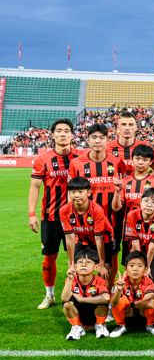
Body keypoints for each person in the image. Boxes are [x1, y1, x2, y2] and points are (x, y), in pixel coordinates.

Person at [29, 118, 81, 309]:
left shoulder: (80, 158)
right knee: (49, 256)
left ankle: (76, 293)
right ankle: (49, 295)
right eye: (58, 131)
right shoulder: (42, 159)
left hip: (76, 218)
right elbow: (35, 187)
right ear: (52, 135)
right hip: (50, 217)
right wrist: (31, 214)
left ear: (72, 135)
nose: (62, 134)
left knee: (77, 258)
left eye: (66, 131)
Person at [69, 123, 126, 279]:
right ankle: (85, 294)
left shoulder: (117, 162)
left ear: (107, 140)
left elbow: (122, 189)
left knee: (110, 261)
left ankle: (107, 294)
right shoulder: (77, 163)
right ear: (87, 140)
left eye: (102, 138)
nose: (97, 141)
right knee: (82, 260)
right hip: (84, 224)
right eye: (94, 137)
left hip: (111, 221)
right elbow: (71, 193)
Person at [111, 144, 154, 262]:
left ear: (151, 162)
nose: (140, 162)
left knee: (152, 264)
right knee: (131, 264)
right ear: (132, 160)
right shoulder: (125, 181)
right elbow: (116, 208)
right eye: (137, 158)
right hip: (130, 230)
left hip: (151, 231)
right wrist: (118, 191)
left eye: (145, 160)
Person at [59, 177, 112, 279]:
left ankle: (106, 293)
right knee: (76, 268)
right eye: (73, 192)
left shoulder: (97, 210)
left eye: (80, 192)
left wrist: (101, 264)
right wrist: (71, 263)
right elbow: (70, 238)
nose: (77, 195)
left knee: (104, 269)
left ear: (89, 193)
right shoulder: (64, 211)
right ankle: (80, 293)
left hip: (104, 238)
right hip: (82, 239)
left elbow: (99, 238)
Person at [109, 251, 154, 337]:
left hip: (143, 316)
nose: (135, 269)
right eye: (131, 265)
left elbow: (150, 303)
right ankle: (120, 326)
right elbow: (113, 303)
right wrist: (118, 290)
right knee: (120, 298)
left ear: (145, 269)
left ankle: (151, 325)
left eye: (140, 266)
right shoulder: (121, 282)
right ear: (125, 268)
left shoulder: (148, 282)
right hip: (126, 316)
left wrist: (132, 305)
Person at [60, 248, 111, 340]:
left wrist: (83, 299)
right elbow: (64, 298)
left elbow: (107, 298)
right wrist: (70, 279)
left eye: (88, 262)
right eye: (80, 262)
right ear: (75, 266)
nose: (83, 264)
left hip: (94, 314)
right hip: (78, 313)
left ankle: (100, 325)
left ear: (96, 267)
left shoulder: (100, 281)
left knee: (103, 302)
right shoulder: (70, 280)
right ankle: (77, 327)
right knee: (67, 304)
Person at [124, 188, 154, 282]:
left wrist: (147, 267)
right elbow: (135, 244)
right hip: (135, 251)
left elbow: (152, 245)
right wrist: (140, 266)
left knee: (152, 282)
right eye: (146, 200)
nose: (149, 204)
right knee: (133, 280)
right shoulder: (131, 215)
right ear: (140, 202)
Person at [107, 111, 148, 176]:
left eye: (131, 124)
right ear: (118, 127)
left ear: (136, 127)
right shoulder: (107, 148)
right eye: (123, 124)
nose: (127, 128)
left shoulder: (145, 147)